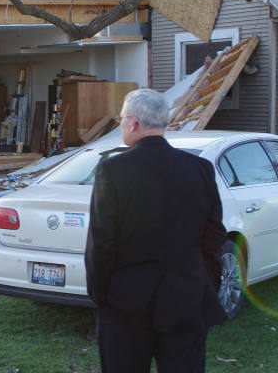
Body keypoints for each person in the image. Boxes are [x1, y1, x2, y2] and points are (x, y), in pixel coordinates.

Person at [84, 89, 228, 372]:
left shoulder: (113, 170)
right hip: (187, 296)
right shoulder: (200, 168)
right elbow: (213, 238)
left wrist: (99, 294)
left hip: (126, 303)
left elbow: (102, 241)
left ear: (133, 122)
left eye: (122, 119)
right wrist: (203, 285)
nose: (122, 124)